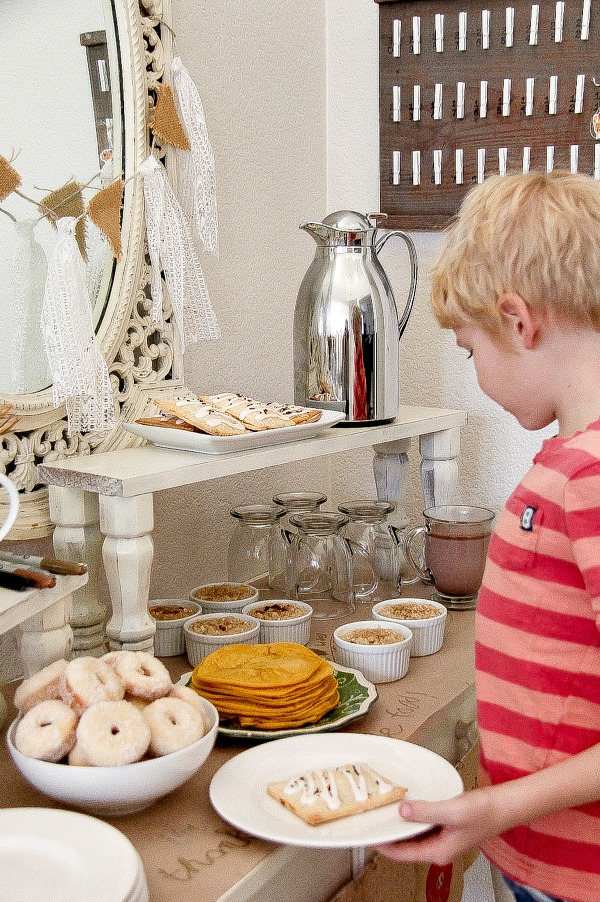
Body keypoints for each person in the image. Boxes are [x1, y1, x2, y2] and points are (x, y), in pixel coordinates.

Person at [376, 170, 600, 902]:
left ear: (518, 321)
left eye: (471, 352)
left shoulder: (590, 477)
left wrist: (495, 809)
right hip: (537, 858)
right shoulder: (568, 466)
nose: (476, 375)